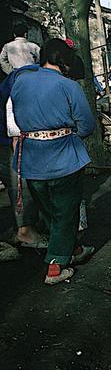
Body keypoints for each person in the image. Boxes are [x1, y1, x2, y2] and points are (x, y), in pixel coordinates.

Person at [8, 38, 96, 284]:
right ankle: (55, 267)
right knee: (66, 214)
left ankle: (74, 250)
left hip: (31, 160)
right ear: (65, 61)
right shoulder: (68, 86)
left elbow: (16, 117)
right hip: (63, 159)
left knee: (52, 212)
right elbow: (87, 125)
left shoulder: (20, 81)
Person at [0, 64, 47, 249]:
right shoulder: (26, 78)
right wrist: (16, 136)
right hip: (8, 137)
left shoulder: (26, 75)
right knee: (20, 182)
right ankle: (25, 231)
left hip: (9, 134)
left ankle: (20, 227)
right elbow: (13, 107)